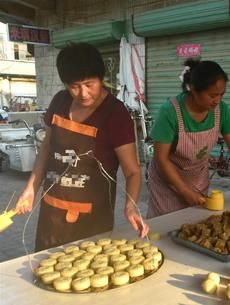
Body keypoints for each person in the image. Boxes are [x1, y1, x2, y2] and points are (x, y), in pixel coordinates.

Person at [15, 43, 148, 251]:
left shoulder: (116, 114)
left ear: (101, 77)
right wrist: (30, 188)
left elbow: (132, 172)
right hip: (52, 212)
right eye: (75, 86)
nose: (83, 93)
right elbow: (47, 148)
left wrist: (130, 206)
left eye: (89, 84)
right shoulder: (60, 101)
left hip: (92, 218)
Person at [147, 59, 230, 217]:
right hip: (168, 185)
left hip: (198, 180)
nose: (217, 100)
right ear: (194, 89)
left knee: (195, 225)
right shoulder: (170, 112)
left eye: (221, 94)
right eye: (212, 95)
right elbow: (161, 158)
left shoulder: (222, 111)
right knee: (165, 229)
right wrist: (184, 190)